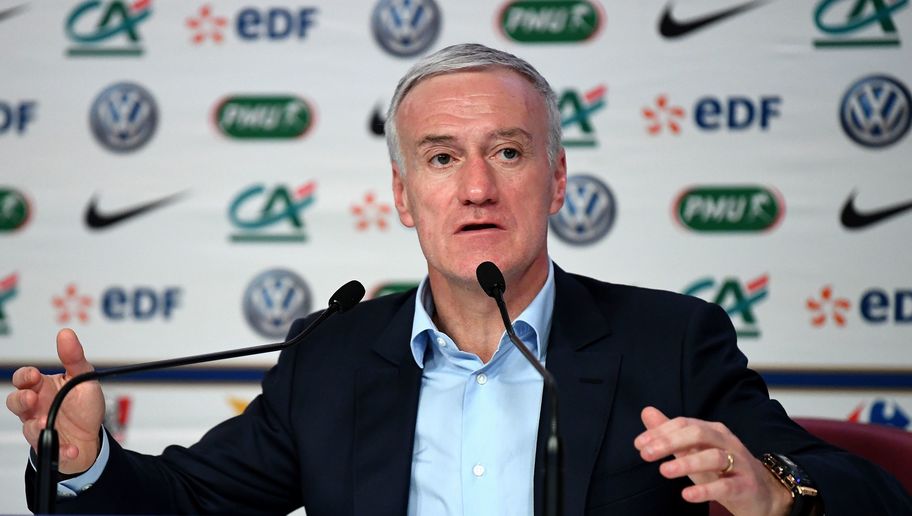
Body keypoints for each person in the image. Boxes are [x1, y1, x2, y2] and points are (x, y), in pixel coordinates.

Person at [7, 43, 910, 516]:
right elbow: (189, 505)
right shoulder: (333, 357)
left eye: (507, 152)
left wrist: (775, 494)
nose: (477, 187)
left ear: (557, 179)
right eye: (442, 158)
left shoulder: (668, 343)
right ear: (405, 195)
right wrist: (83, 463)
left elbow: (867, 491)